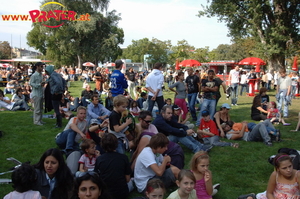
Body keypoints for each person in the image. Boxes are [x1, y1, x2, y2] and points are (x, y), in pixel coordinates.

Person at [94, 133, 133, 199]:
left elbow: (97, 177)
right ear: (116, 144)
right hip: (121, 193)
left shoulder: (99, 159)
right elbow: (127, 179)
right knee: (132, 182)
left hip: (105, 193)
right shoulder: (124, 158)